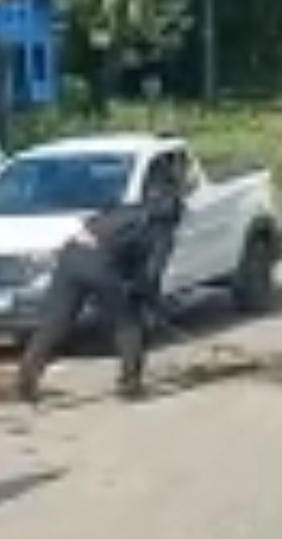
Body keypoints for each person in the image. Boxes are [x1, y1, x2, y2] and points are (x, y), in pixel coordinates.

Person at [16, 162, 185, 404]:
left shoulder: (123, 209)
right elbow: (151, 276)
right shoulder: (162, 232)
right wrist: (147, 300)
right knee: (129, 322)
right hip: (99, 265)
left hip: (71, 254)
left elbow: (108, 242)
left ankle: (25, 382)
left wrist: (131, 286)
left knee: (56, 323)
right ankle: (130, 384)